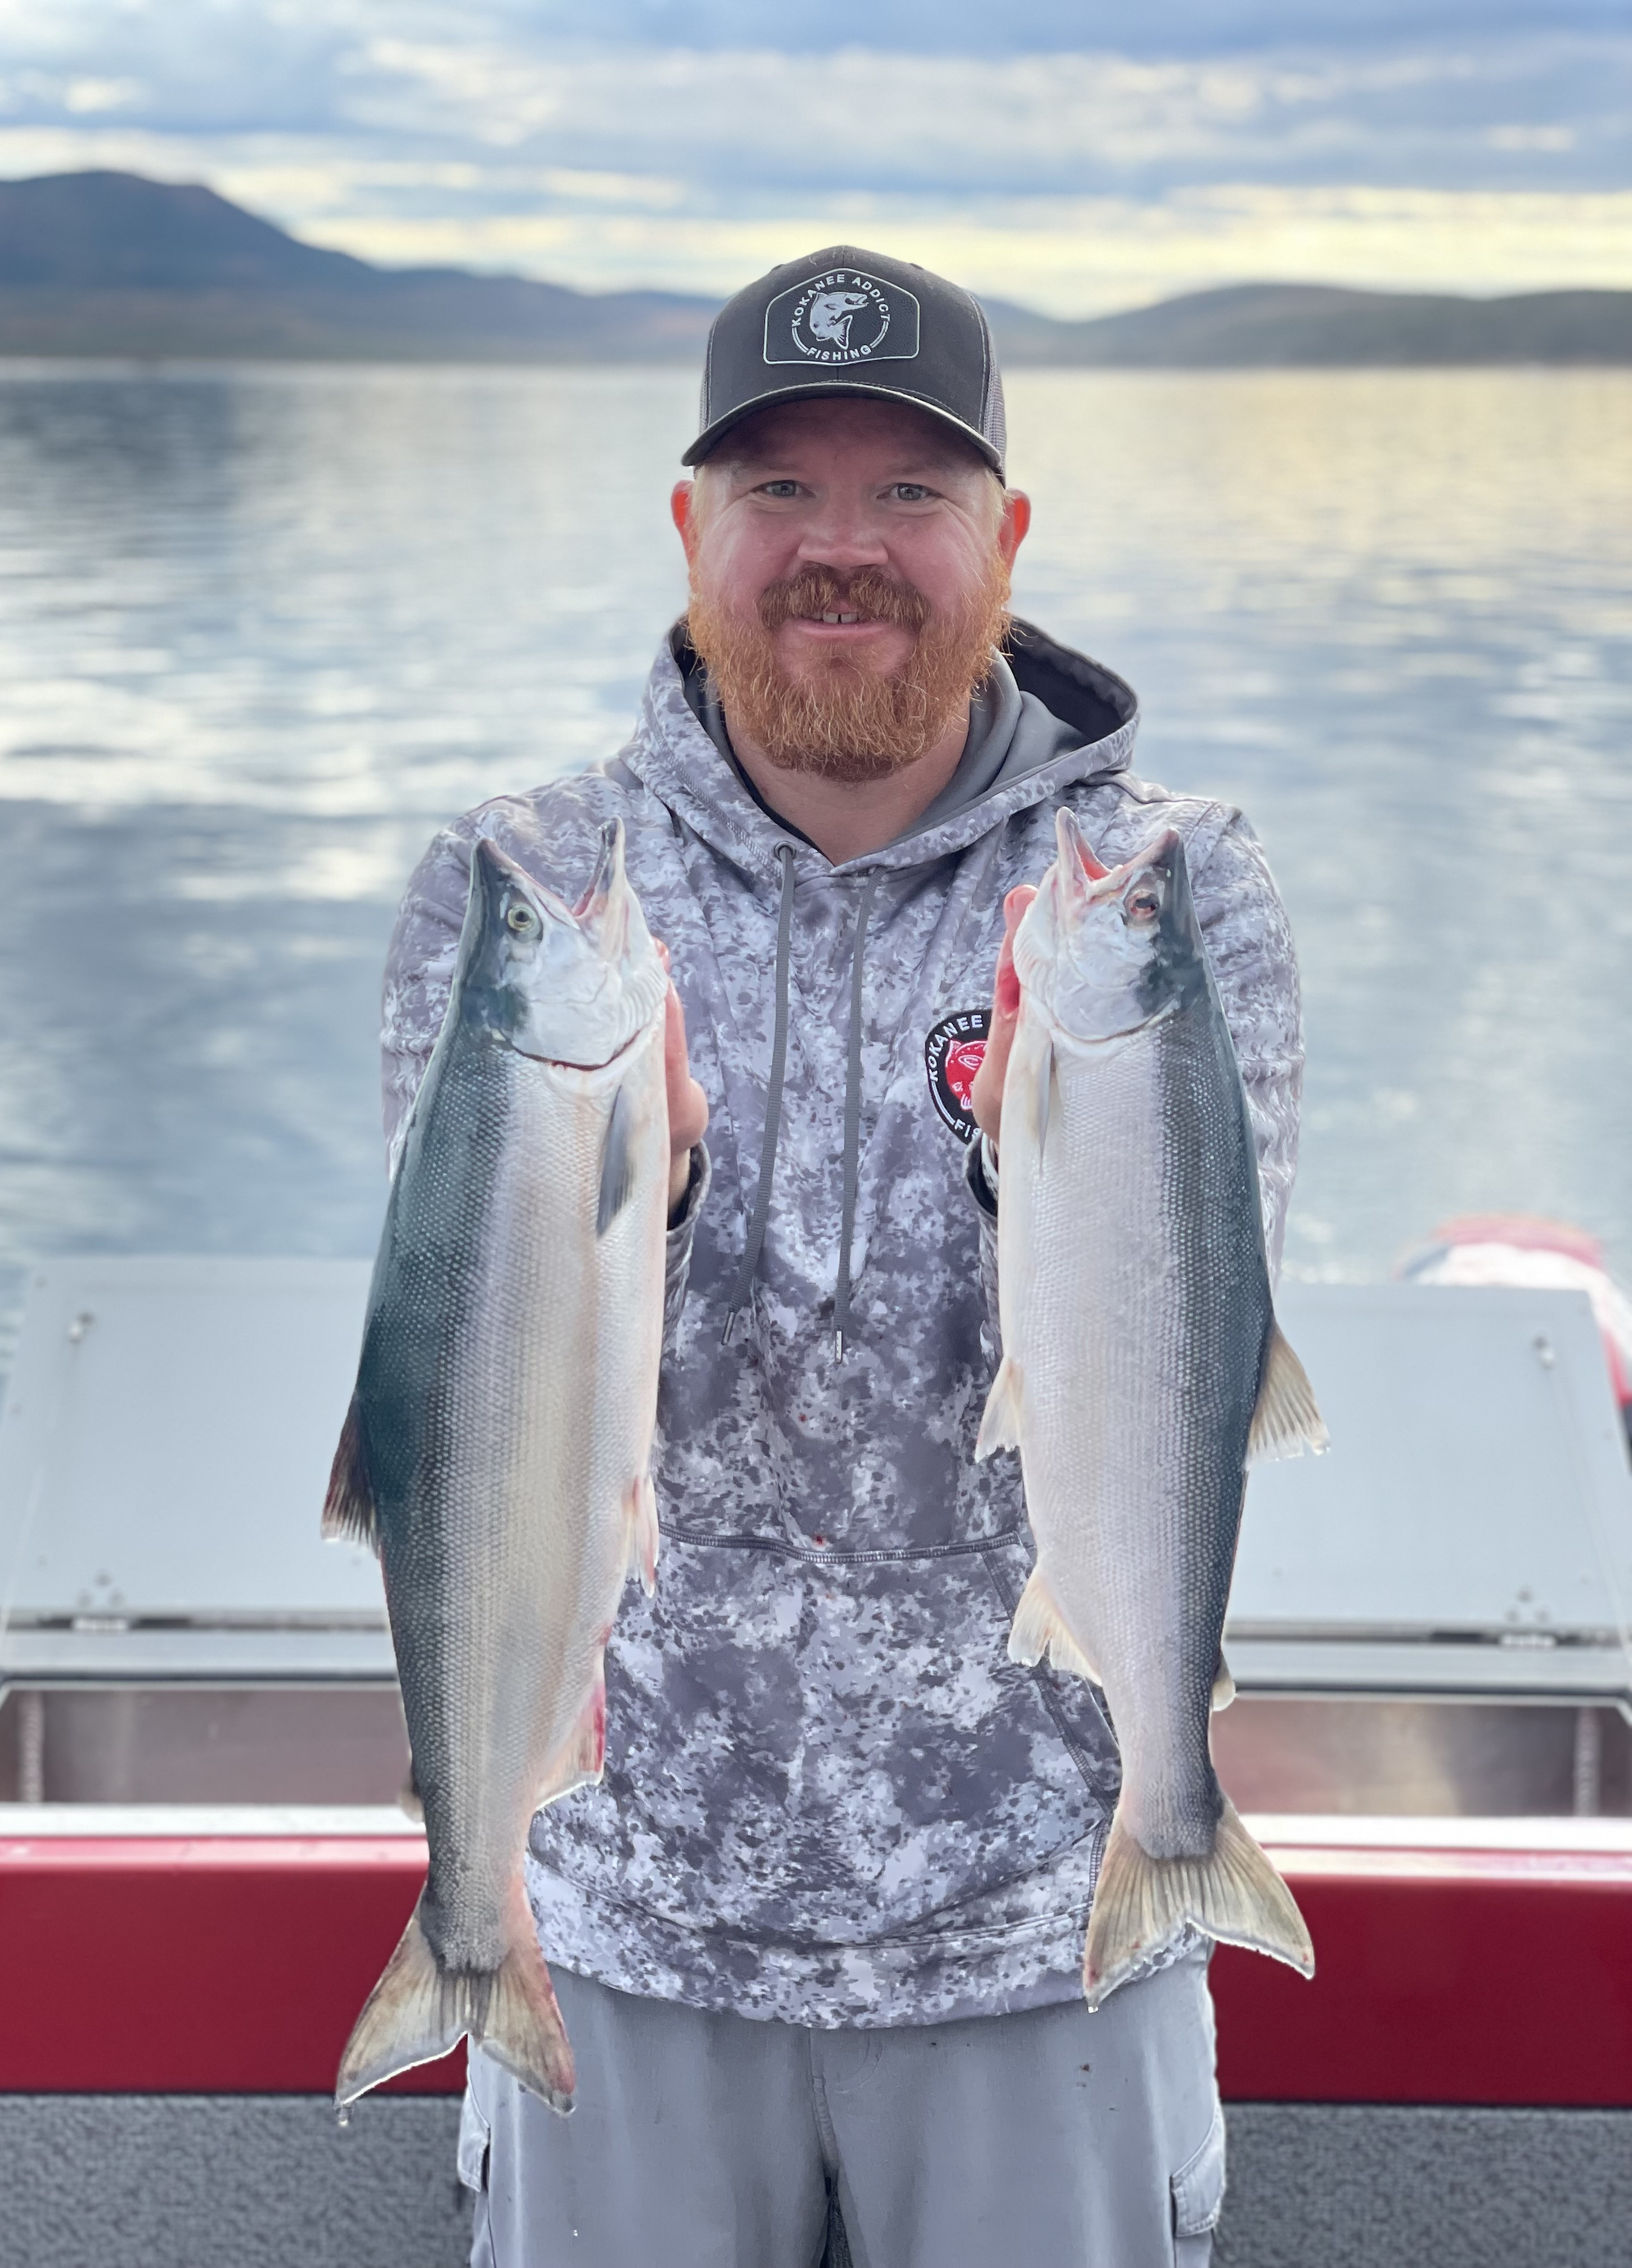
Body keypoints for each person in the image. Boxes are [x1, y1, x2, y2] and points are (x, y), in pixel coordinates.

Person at [380, 246, 1301, 2268]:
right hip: (612, 1923)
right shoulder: (525, 883)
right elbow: (471, 1374)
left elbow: (1183, 1354)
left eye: (910, 491)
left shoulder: (1160, 884)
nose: (842, 549)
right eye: (782, 488)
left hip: (1040, 1924)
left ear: (1008, 534)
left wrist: (1019, 1167)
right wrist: (663, 1189)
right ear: (692, 525)